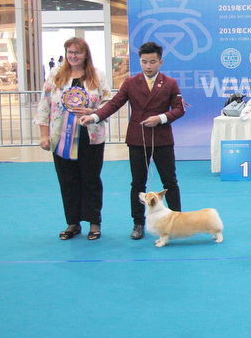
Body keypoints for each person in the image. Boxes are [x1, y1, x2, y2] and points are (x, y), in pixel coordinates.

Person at [79, 41, 186, 240]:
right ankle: (138, 223)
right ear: (140, 61)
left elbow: (180, 109)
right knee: (138, 184)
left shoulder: (170, 83)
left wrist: (160, 118)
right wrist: (94, 117)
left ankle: (178, 221)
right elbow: (114, 104)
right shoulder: (130, 83)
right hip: (137, 140)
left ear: (160, 62)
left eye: (152, 62)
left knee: (170, 182)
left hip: (162, 140)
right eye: (144, 62)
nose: (148, 66)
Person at [36, 37, 110, 241]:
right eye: (69, 52)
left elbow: (108, 102)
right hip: (61, 138)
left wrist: (93, 111)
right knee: (67, 181)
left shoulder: (98, 75)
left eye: (77, 52)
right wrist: (44, 135)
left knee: (91, 179)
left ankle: (94, 222)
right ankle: (73, 222)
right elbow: (45, 104)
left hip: (91, 137)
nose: (73, 56)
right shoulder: (55, 75)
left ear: (86, 54)